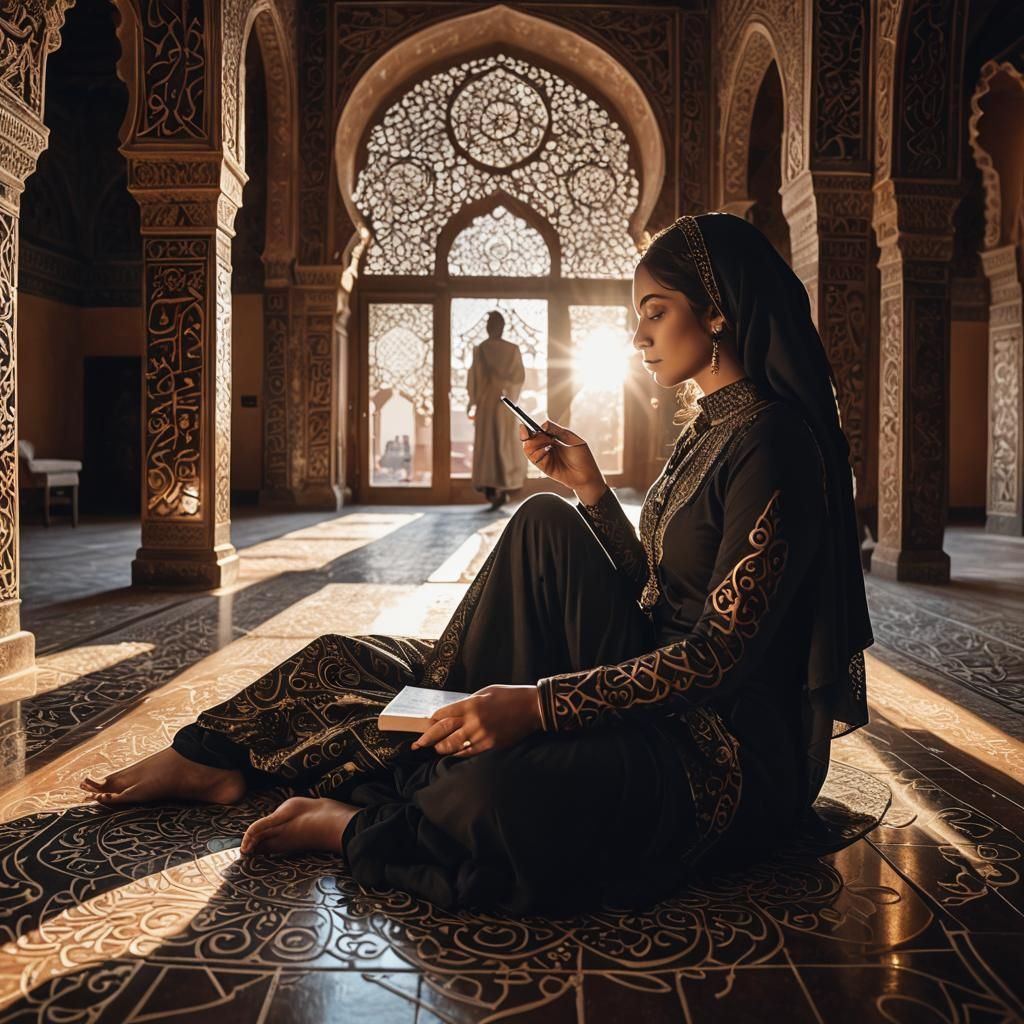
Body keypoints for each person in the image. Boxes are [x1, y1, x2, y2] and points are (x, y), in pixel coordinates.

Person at [78, 214, 872, 916]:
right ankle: (219, 757)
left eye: (656, 314)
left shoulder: (774, 443)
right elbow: (657, 592)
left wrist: (538, 707)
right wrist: (591, 493)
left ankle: (357, 820)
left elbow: (719, 658)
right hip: (645, 683)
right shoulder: (710, 427)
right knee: (451, 584)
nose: (641, 337)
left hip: (720, 749)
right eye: (639, 318)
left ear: (720, 308)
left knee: (492, 795)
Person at [467, 311, 526, 509]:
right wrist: (507, 388)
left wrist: (473, 400)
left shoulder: (481, 350)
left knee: (490, 447)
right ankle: (503, 487)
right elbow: (518, 378)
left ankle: (494, 489)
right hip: (505, 404)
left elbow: (474, 379)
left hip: (488, 404)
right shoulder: (512, 350)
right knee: (502, 445)